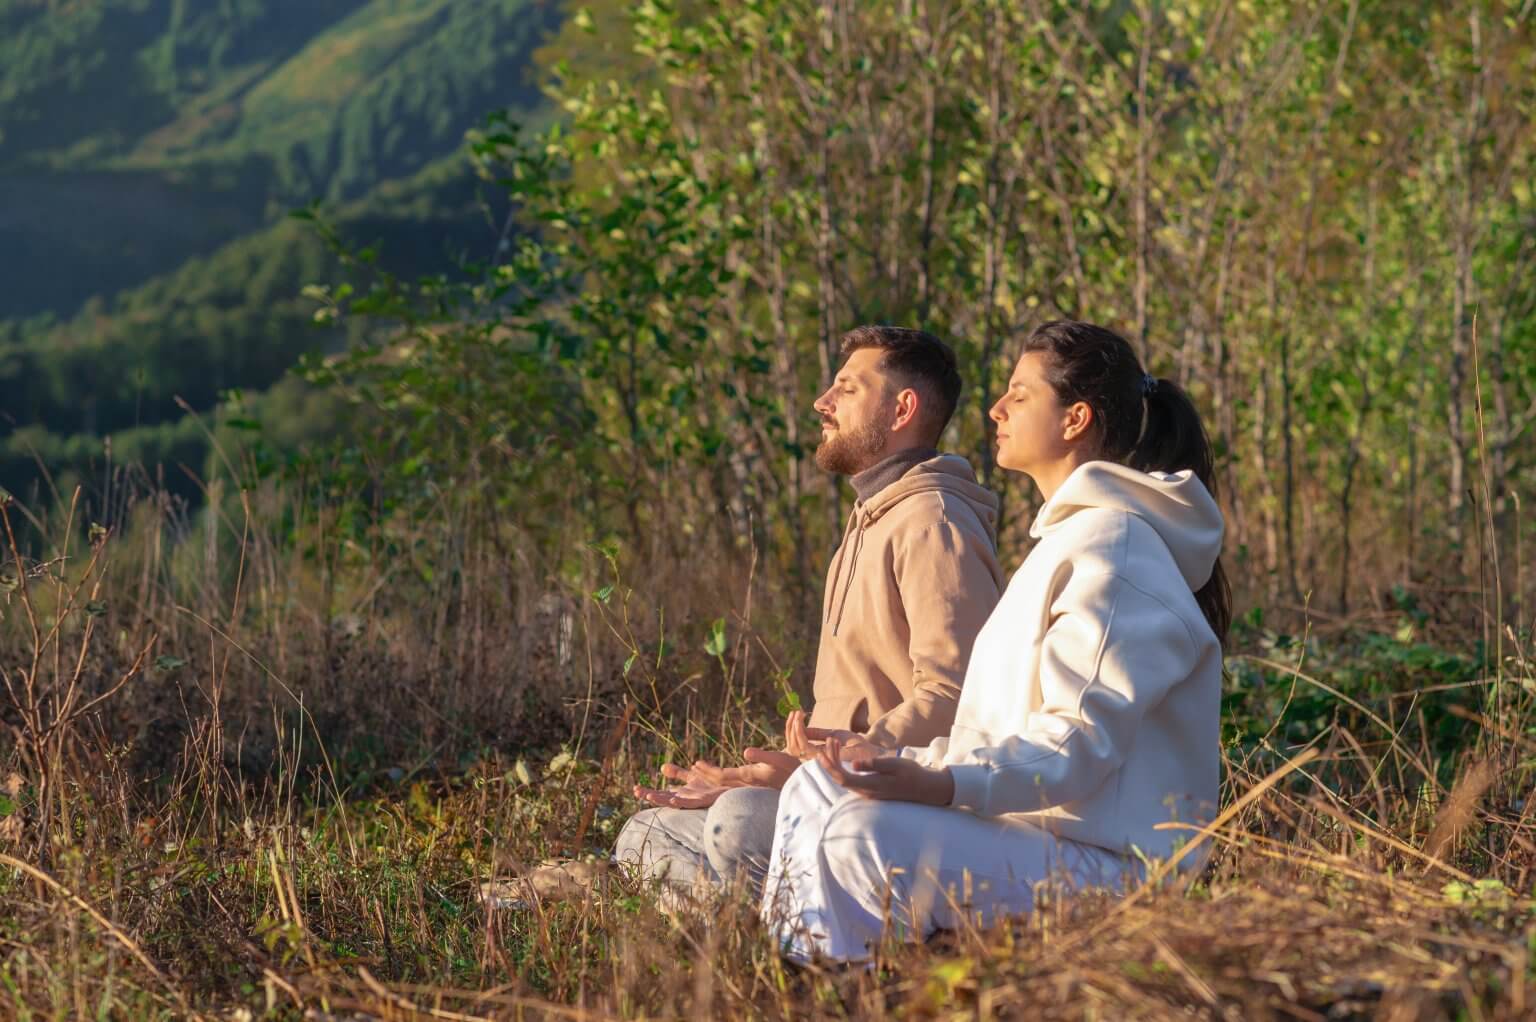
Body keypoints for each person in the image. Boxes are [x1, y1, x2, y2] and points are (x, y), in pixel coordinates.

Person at [760, 319, 1232, 962]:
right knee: (816, 786)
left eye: (1020, 393)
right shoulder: (1062, 546)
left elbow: (1074, 743)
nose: (995, 408)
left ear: (1075, 419)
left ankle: (834, 979)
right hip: (1034, 838)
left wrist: (940, 783)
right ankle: (806, 976)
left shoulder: (1117, 550)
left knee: (860, 834)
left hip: (1113, 866)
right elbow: (995, 738)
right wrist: (883, 758)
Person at [611, 325, 1005, 899]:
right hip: (830, 788)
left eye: (847, 388)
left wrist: (823, 768)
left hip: (894, 806)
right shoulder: (867, 522)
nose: (823, 402)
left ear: (902, 409)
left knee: (736, 821)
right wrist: (776, 774)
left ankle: (778, 933)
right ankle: (749, 933)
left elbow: (957, 698)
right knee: (646, 833)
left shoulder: (933, 522)